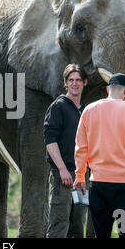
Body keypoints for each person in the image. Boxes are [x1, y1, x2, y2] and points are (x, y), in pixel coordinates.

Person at [73, 73, 125, 238]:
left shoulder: (89, 110)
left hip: (98, 187)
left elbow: (81, 148)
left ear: (108, 89)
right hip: (123, 188)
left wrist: (80, 176)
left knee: (102, 234)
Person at [43, 64, 88, 238]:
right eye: (71, 80)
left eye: (78, 80)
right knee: (59, 224)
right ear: (65, 83)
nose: (75, 83)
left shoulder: (85, 110)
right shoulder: (58, 107)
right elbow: (50, 140)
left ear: (84, 82)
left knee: (77, 226)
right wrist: (62, 169)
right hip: (63, 175)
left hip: (81, 177)